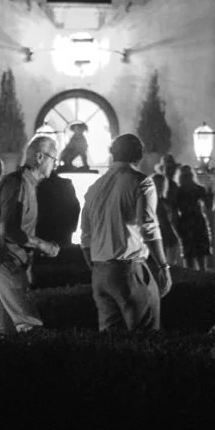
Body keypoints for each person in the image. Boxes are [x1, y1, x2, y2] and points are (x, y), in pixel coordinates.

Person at [79, 133, 171, 331]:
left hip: (100, 272)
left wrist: (95, 267)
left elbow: (85, 236)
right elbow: (148, 227)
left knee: (112, 343)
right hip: (129, 269)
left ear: (113, 154)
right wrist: (164, 266)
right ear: (139, 155)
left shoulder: (94, 187)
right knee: (145, 336)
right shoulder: (141, 182)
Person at [0, 135, 63, 335]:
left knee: (1, 329)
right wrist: (43, 245)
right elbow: (7, 229)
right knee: (30, 324)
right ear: (40, 157)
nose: (55, 165)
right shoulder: (17, 183)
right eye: (54, 159)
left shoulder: (23, 184)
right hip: (5, 260)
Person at [173, 165, 214, 272]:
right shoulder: (196, 189)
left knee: (191, 257)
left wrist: (176, 227)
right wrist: (210, 191)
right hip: (195, 222)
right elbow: (209, 206)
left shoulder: (179, 191)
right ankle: (199, 282)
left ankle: (192, 283)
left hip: (188, 222)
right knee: (197, 257)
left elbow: (174, 213)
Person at [154, 156, 184, 267]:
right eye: (168, 168)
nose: (171, 171)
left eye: (172, 168)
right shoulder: (160, 199)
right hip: (165, 229)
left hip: (172, 223)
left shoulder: (175, 186)